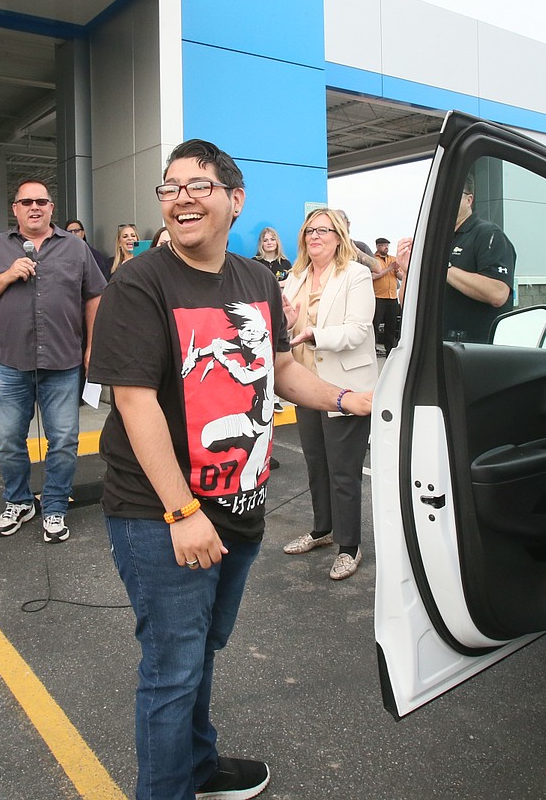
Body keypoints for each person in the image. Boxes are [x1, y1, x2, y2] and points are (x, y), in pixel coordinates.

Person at [88, 139, 372, 800]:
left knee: (198, 654)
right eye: (171, 186)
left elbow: (282, 369)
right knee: (171, 668)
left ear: (234, 200)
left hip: (239, 507)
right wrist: (182, 511)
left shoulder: (255, 280)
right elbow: (133, 402)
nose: (181, 196)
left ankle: (198, 766)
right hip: (162, 514)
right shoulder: (140, 282)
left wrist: (345, 398)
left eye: (199, 185)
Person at [0, 180, 105, 542]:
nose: (34, 207)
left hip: (63, 363)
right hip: (10, 365)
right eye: (26, 202)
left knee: (63, 440)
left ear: (51, 207)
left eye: (41, 201)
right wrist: (8, 274)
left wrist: (92, 347)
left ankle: (55, 507)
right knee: (8, 440)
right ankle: (19, 501)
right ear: (15, 209)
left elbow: (95, 298)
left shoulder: (76, 248)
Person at [281, 209, 379, 580]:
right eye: (309, 230)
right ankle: (323, 530)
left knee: (343, 470)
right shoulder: (296, 276)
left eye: (323, 230)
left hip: (344, 386)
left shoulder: (355, 274)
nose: (314, 236)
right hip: (305, 384)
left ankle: (349, 546)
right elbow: (286, 323)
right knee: (316, 463)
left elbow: (357, 330)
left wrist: (314, 334)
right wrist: (287, 322)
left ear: (339, 237)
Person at [444, 174, 516, 342]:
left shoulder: (488, 234)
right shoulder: (438, 240)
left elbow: (498, 293)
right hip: (440, 347)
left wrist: (444, 269)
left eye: (454, 194)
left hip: (476, 351)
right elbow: (407, 303)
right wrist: (407, 270)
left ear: (469, 200)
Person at [371, 236, 402, 354]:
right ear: (378, 246)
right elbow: (373, 276)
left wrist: (397, 270)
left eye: (387, 246)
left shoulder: (393, 259)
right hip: (378, 297)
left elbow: (401, 278)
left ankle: (390, 350)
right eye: (384, 246)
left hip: (392, 297)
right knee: (375, 324)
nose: (386, 248)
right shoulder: (373, 260)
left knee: (392, 325)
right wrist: (389, 269)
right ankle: (372, 349)